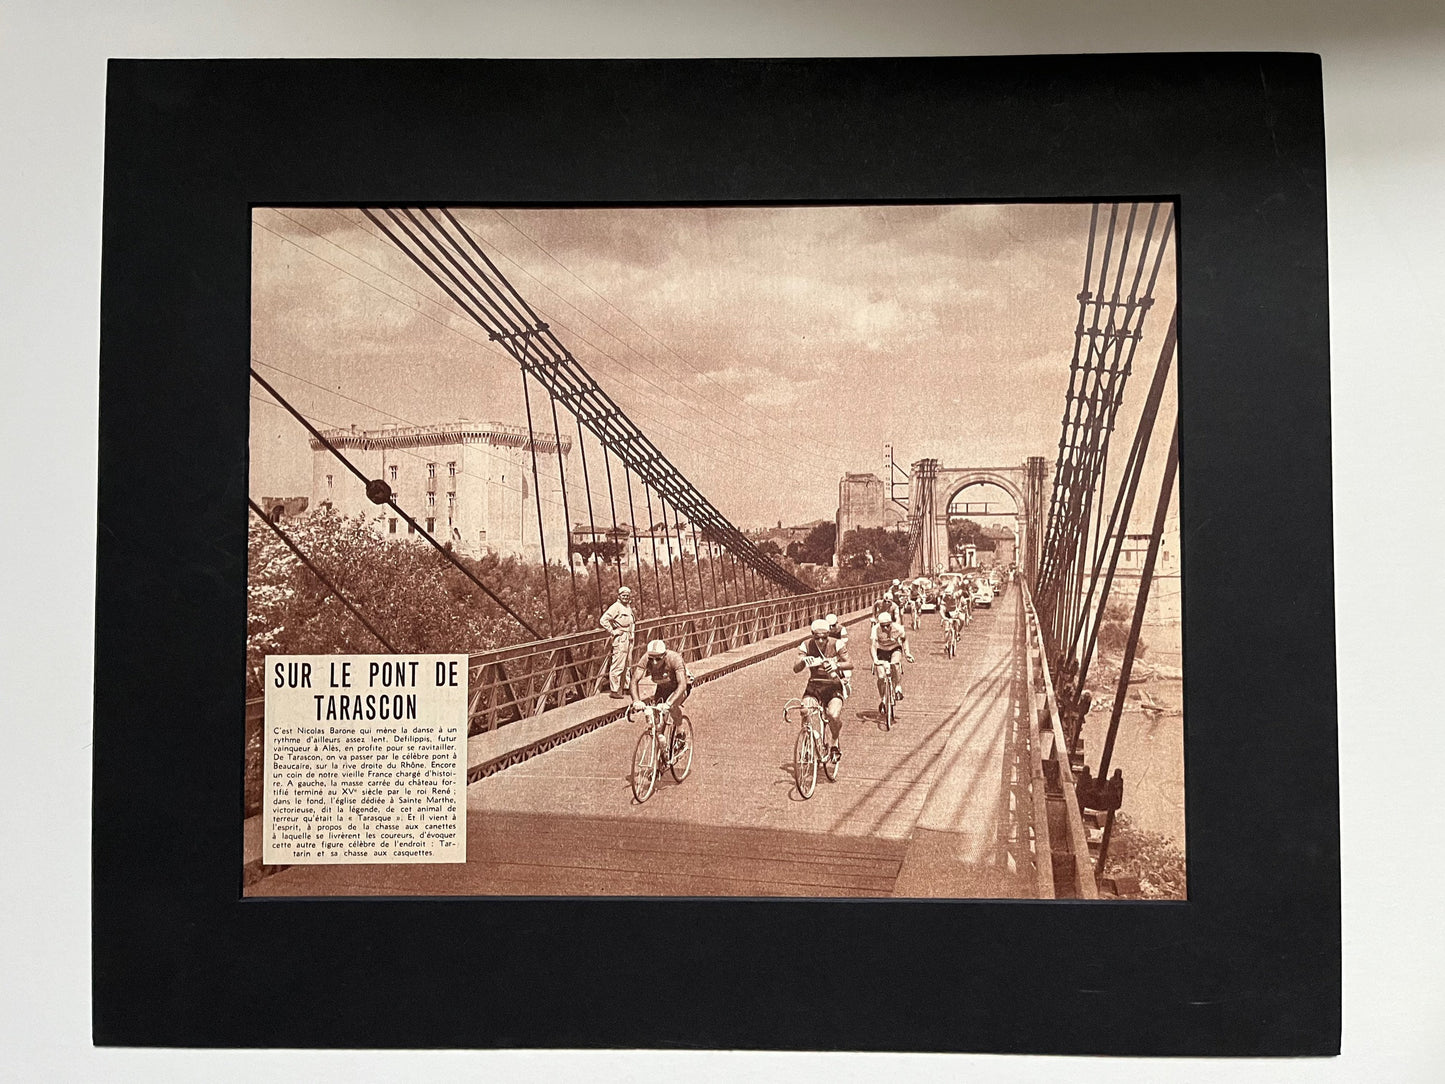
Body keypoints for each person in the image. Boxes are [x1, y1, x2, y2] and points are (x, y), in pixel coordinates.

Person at [793, 618, 852, 762]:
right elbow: (796, 668)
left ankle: (835, 742)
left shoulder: (837, 644)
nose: (820, 641)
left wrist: (836, 665)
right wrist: (803, 662)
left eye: (824, 638)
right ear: (812, 634)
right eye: (817, 638)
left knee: (833, 715)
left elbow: (850, 664)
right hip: (815, 685)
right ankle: (807, 745)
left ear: (828, 635)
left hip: (833, 685)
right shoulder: (806, 645)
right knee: (804, 711)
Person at [630, 638, 691, 728]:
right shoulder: (645, 658)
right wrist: (636, 701)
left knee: (672, 707)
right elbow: (634, 681)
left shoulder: (674, 659)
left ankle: (680, 730)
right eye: (651, 659)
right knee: (655, 717)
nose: (654, 662)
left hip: (679, 686)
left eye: (658, 659)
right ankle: (659, 737)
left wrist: (668, 703)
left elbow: (682, 685)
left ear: (665, 655)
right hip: (663, 686)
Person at [869, 611, 915, 712]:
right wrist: (875, 660)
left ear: (891, 623)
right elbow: (872, 646)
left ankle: (898, 686)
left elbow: (904, 639)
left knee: (895, 664)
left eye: (887, 625)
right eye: (883, 626)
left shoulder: (898, 628)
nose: (885, 628)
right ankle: (883, 699)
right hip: (881, 650)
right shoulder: (875, 629)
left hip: (894, 649)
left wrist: (907, 653)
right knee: (881, 677)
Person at [599, 585, 637, 698]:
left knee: (628, 664)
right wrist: (612, 631)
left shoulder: (628, 607)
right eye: (623, 595)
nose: (625, 597)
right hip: (621, 638)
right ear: (619, 596)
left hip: (629, 637)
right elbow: (603, 620)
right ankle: (614, 690)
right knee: (618, 664)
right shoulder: (616, 607)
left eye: (627, 595)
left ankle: (625, 687)